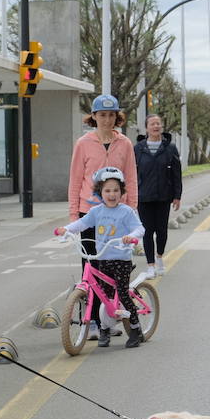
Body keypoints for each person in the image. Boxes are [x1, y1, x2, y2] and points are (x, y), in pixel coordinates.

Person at [68, 93, 139, 339]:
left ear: (116, 117)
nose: (107, 120)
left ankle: (109, 318)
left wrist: (132, 213)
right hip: (89, 214)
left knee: (111, 271)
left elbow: (131, 179)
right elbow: (75, 181)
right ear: (94, 117)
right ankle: (92, 322)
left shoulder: (125, 144)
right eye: (102, 115)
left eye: (111, 115)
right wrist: (72, 218)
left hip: (117, 217)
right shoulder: (83, 143)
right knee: (89, 269)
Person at [55, 167, 146, 348]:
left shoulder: (126, 211)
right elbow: (82, 223)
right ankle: (104, 329)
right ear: (100, 192)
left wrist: (131, 237)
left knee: (121, 293)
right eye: (107, 190)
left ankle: (136, 329)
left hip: (121, 259)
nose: (112, 194)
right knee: (103, 295)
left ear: (121, 192)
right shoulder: (96, 211)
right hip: (102, 259)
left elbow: (140, 228)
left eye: (115, 190)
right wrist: (67, 229)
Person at [133, 113, 182, 278]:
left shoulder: (170, 148)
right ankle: (150, 265)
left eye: (158, 124)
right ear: (146, 128)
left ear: (161, 127)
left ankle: (159, 257)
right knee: (147, 232)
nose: (156, 126)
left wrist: (177, 196)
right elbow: (132, 173)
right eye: (152, 124)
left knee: (161, 231)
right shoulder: (138, 148)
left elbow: (176, 174)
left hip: (163, 197)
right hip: (144, 197)